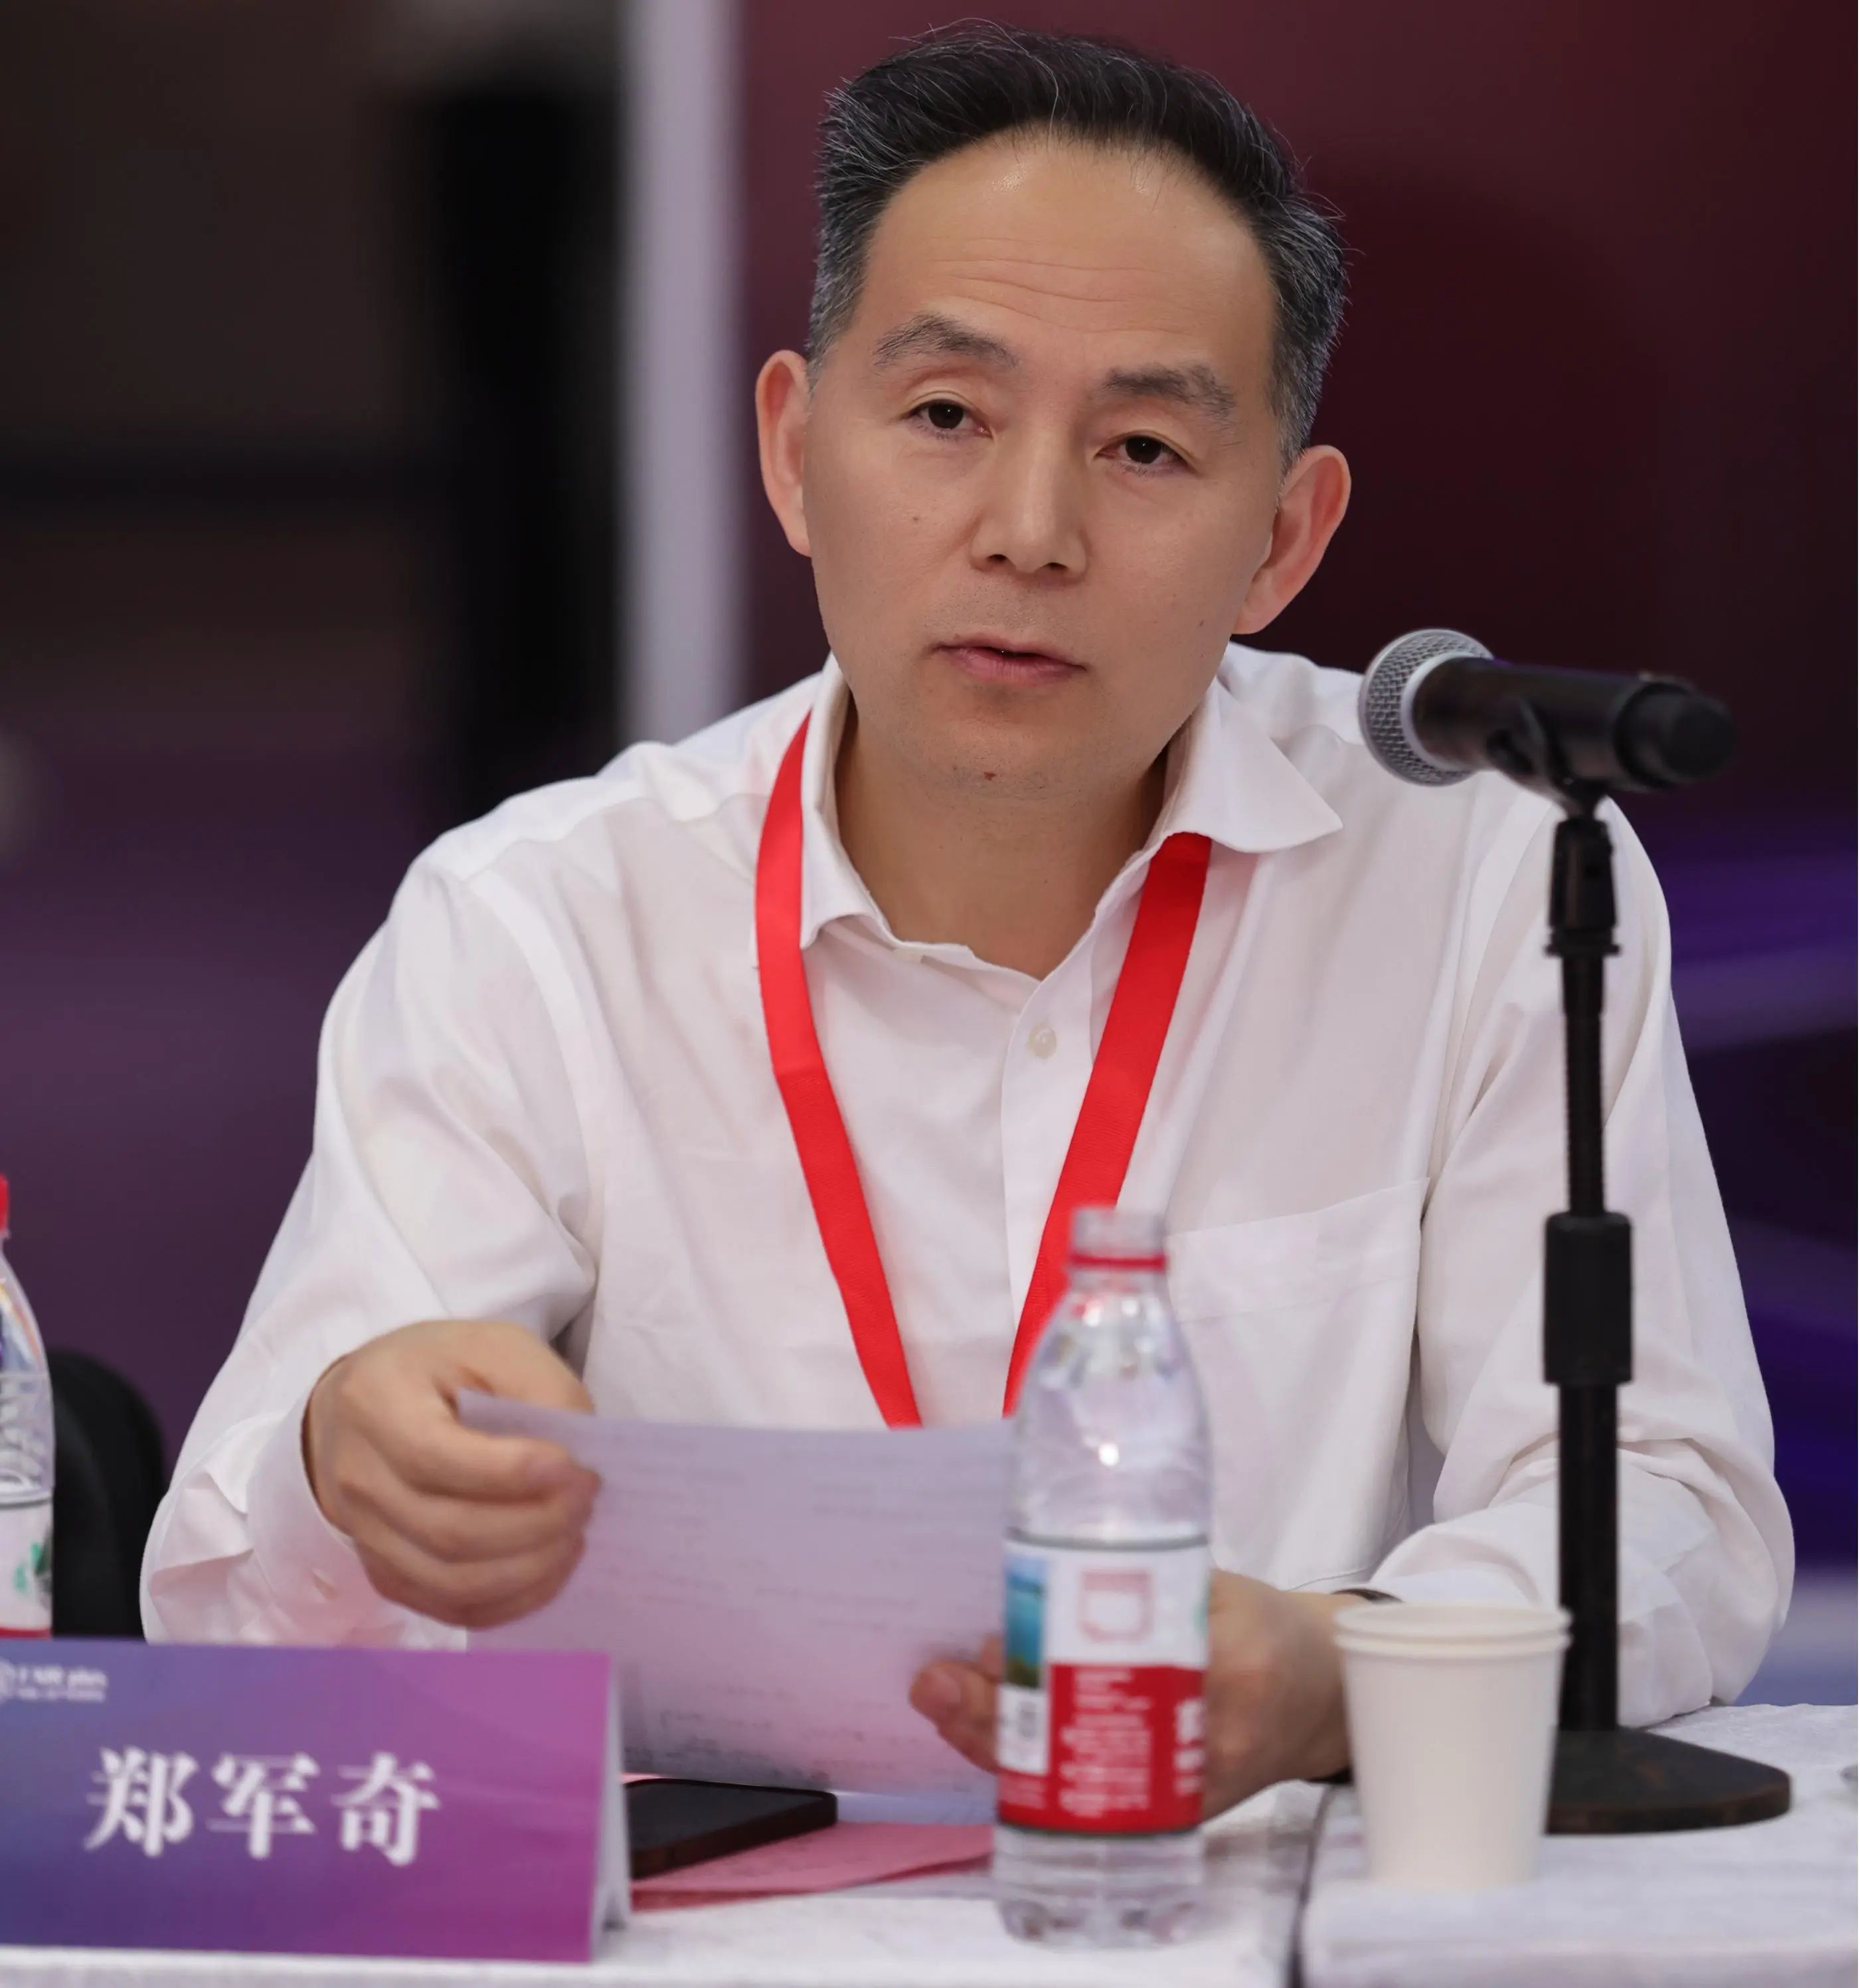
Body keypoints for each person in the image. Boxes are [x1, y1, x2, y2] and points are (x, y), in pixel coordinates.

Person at [141, 25, 1788, 1815]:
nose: (1029, 530)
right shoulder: (538, 921)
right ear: (793, 450)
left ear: (1282, 541)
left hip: (1243, 1894)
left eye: (1144, 445)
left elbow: (1666, 1504)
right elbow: (229, 1614)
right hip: (722, 1926)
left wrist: (1342, 1671)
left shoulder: (1477, 877)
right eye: (946, 416)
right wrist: (352, 1461)